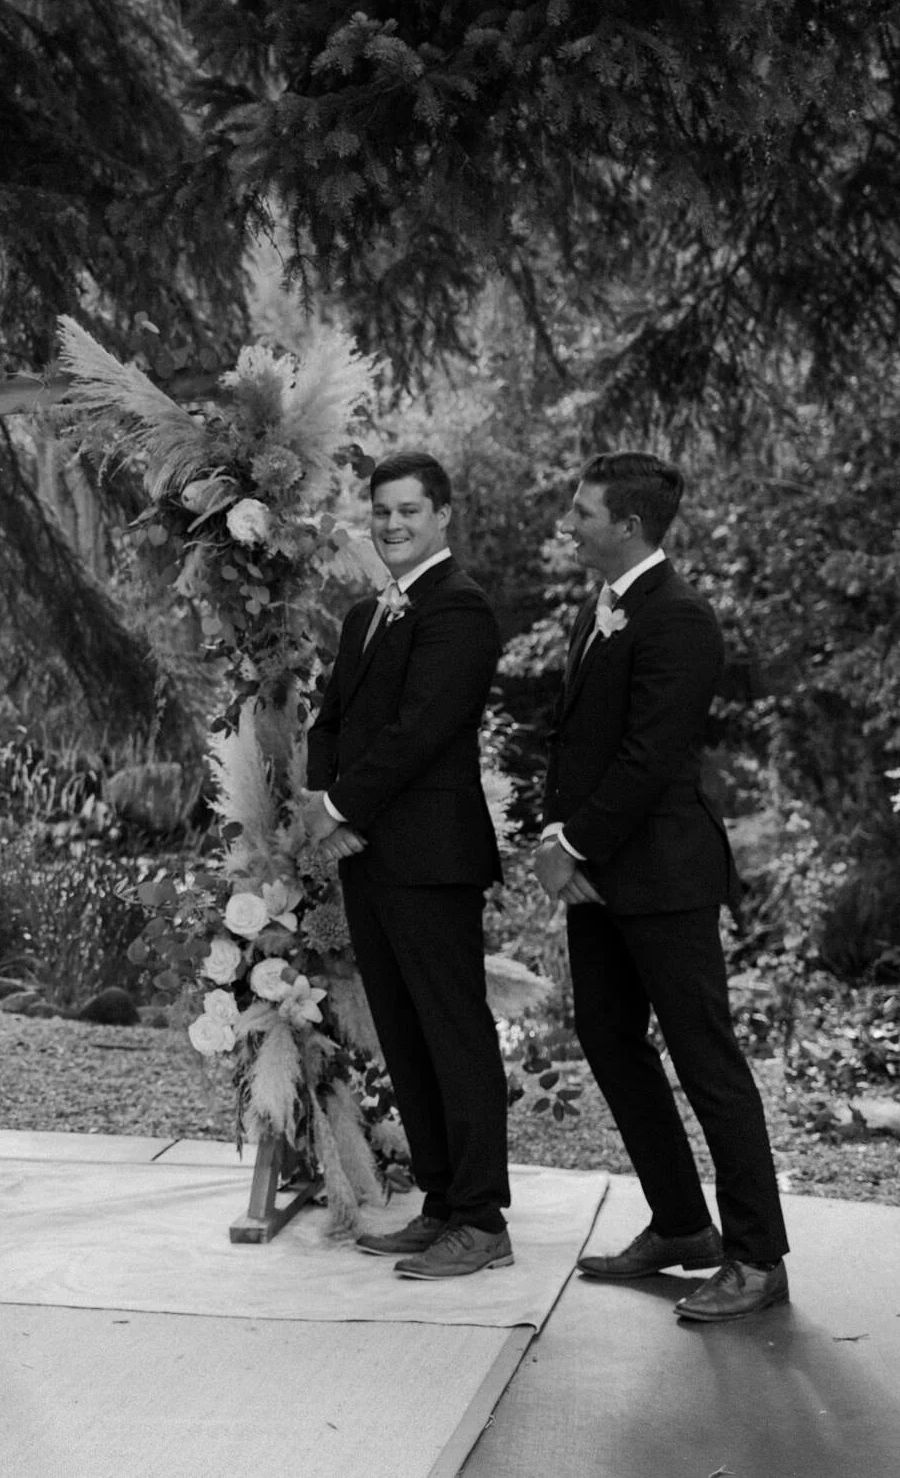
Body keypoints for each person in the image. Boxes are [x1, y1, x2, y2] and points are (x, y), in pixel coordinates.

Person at [532, 452, 789, 1324]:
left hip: (666, 875)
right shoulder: (599, 607)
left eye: (581, 512)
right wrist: (557, 832)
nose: (569, 524)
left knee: (707, 1060)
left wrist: (573, 843)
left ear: (629, 524)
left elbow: (650, 756)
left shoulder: (681, 618)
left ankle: (757, 1256)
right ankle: (682, 1223)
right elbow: (579, 740)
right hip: (601, 876)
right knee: (608, 1037)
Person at [301, 451, 511, 1279]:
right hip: (367, 854)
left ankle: (483, 1217)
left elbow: (420, 731)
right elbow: (330, 721)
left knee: (454, 1032)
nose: (392, 524)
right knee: (404, 1032)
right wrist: (327, 805)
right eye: (382, 510)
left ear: (442, 515)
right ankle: (443, 1201)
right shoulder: (366, 615)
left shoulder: (460, 608)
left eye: (408, 510)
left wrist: (341, 809)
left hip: (431, 857)